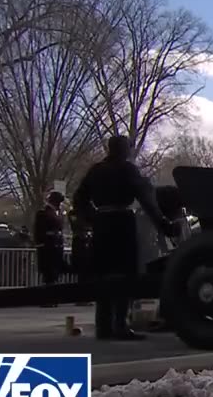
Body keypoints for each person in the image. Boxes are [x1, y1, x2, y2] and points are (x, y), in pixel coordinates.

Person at [72, 135, 174, 341]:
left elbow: (79, 198)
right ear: (123, 149)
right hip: (122, 224)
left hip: (101, 224)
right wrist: (163, 223)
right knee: (125, 275)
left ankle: (103, 326)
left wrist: (91, 217)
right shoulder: (128, 170)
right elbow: (146, 198)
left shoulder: (96, 170)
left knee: (103, 275)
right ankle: (120, 324)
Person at [33, 191, 67, 301]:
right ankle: (47, 298)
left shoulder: (58, 213)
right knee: (48, 273)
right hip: (47, 246)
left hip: (56, 245)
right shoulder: (43, 213)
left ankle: (53, 297)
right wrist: (40, 243)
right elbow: (38, 230)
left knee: (55, 271)